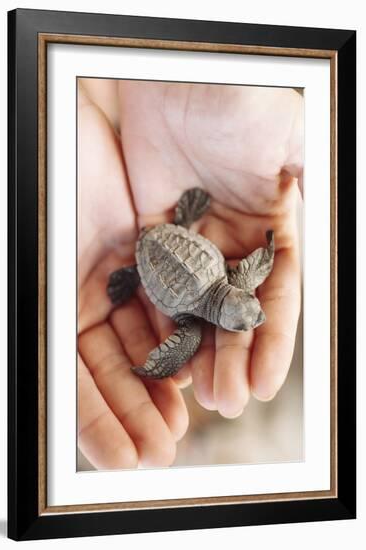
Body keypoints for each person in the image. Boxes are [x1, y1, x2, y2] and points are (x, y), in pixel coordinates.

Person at [77, 80, 303, 470]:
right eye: (253, 306)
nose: (257, 311)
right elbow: (255, 267)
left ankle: (176, 225)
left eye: (247, 310)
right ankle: (137, 271)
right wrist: (267, 248)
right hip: (154, 252)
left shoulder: (213, 295)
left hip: (172, 238)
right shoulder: (196, 320)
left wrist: (267, 250)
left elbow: (252, 269)